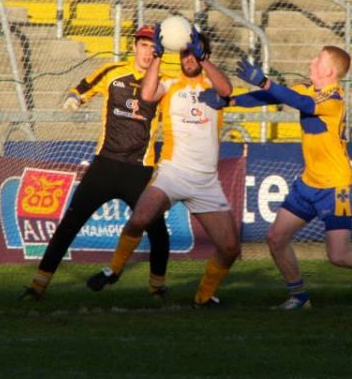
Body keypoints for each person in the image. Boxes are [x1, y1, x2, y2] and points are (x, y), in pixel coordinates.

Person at [201, 46, 352, 310]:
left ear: (329, 70)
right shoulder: (308, 89)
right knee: (276, 238)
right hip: (308, 183)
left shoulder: (333, 99)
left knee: (339, 255)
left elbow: (303, 104)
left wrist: (265, 80)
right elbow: (271, 97)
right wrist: (230, 102)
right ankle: (299, 297)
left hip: (336, 187)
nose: (311, 61)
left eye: (318, 59)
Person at [85, 26, 239, 307]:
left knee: (230, 248)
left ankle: (204, 297)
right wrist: (157, 56)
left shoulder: (213, 87)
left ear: (204, 54)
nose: (188, 59)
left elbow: (227, 90)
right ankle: (113, 270)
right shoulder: (170, 84)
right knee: (139, 219)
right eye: (184, 54)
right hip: (172, 173)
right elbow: (146, 95)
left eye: (194, 54)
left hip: (205, 181)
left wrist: (204, 59)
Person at [20, 25, 170, 301]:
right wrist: (74, 99)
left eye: (153, 47)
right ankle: (37, 286)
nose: (148, 52)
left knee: (157, 229)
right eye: (144, 45)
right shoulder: (112, 72)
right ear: (134, 45)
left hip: (139, 170)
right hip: (104, 166)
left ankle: (157, 289)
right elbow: (82, 88)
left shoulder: (164, 83)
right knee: (70, 223)